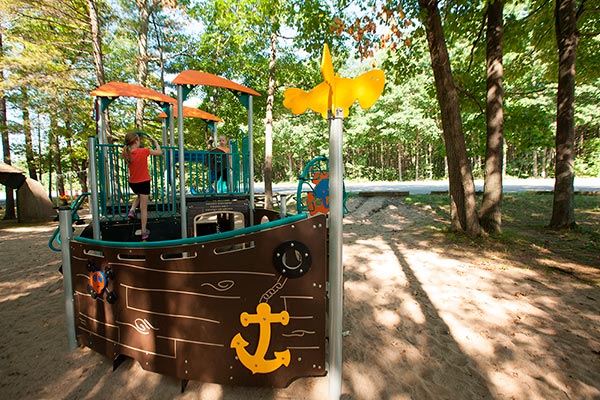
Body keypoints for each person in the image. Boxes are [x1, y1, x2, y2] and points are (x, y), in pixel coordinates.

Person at [121, 132, 162, 240]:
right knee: (144, 208)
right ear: (136, 141)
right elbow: (159, 152)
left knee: (139, 195)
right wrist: (156, 142)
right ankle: (144, 231)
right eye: (139, 140)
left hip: (133, 183)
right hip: (143, 182)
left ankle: (132, 209)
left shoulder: (126, 153)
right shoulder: (144, 151)